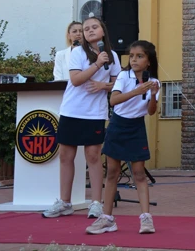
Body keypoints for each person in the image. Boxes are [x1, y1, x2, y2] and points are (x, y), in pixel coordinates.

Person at [43, 17, 120, 219]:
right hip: (71, 110)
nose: (90, 31)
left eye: (94, 27)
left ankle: (96, 203)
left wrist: (103, 86)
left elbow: (118, 83)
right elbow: (76, 80)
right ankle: (65, 202)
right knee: (66, 156)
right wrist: (96, 64)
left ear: (103, 31)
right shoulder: (77, 53)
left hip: (94, 112)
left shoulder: (112, 55)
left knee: (93, 156)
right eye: (86, 29)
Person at [85, 40, 160, 235]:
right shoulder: (123, 76)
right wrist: (136, 91)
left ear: (149, 61)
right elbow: (114, 99)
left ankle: (146, 219)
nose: (134, 60)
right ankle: (107, 218)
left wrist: (152, 95)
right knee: (112, 172)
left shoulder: (154, 82)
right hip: (118, 125)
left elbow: (151, 112)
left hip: (136, 127)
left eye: (140, 56)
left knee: (139, 174)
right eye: (132, 56)